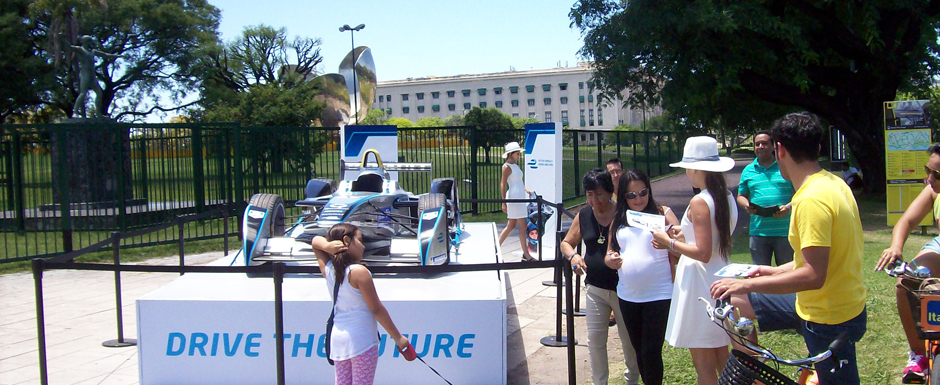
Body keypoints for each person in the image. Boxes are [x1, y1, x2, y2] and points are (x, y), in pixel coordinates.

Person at [712, 112, 867, 385]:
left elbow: (813, 275)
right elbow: (814, 260)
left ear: (779, 149)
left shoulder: (811, 200)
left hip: (829, 316)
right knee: (735, 301)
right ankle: (753, 366)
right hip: (840, 305)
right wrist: (768, 271)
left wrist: (748, 286)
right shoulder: (834, 183)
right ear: (818, 148)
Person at [650, 135, 737, 385]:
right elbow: (714, 238)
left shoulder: (700, 200)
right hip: (718, 278)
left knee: (704, 366)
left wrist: (669, 243)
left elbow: (703, 252)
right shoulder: (725, 197)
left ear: (696, 168)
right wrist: (684, 233)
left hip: (700, 285)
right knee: (721, 355)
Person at [562, 169, 640, 385]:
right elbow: (566, 242)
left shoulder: (624, 214)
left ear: (610, 192)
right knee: (595, 341)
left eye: (598, 194)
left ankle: (632, 380)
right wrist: (574, 256)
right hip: (595, 288)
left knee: (628, 341)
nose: (594, 200)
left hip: (624, 290)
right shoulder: (584, 215)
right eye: (589, 194)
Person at [605, 168, 680, 385]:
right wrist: (611, 260)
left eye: (642, 192)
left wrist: (669, 242)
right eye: (631, 195)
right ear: (623, 196)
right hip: (628, 295)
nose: (638, 199)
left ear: (649, 191)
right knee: (638, 349)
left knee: (651, 350)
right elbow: (610, 253)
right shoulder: (619, 218)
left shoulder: (662, 213)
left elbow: (682, 249)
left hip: (659, 293)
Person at [311, 224, 411, 385]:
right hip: (361, 341)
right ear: (346, 240)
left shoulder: (330, 270)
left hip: (338, 341)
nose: (363, 246)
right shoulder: (358, 272)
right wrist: (398, 338)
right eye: (359, 240)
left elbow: (315, 242)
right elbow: (376, 309)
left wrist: (327, 246)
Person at [875, 144, 940, 383]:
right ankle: (918, 353)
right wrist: (896, 247)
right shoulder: (933, 190)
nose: (929, 179)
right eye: (928, 170)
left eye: (936, 174)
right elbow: (907, 220)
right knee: (906, 282)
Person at [737, 130, 795, 266]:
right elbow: (741, 196)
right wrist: (746, 205)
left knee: (787, 275)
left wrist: (788, 207)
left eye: (764, 143)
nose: (760, 147)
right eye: (757, 144)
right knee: (760, 275)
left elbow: (799, 194)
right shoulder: (748, 170)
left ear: (773, 146)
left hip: (784, 231)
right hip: (758, 231)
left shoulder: (785, 167)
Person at [498, 142, 534, 261]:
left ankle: (496, 248)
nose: (519, 155)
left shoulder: (514, 165)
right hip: (514, 198)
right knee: (522, 226)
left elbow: (517, 182)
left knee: (511, 225)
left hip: (519, 196)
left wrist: (526, 190)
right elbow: (503, 184)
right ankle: (526, 254)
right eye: (517, 153)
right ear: (510, 154)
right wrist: (503, 202)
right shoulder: (506, 167)